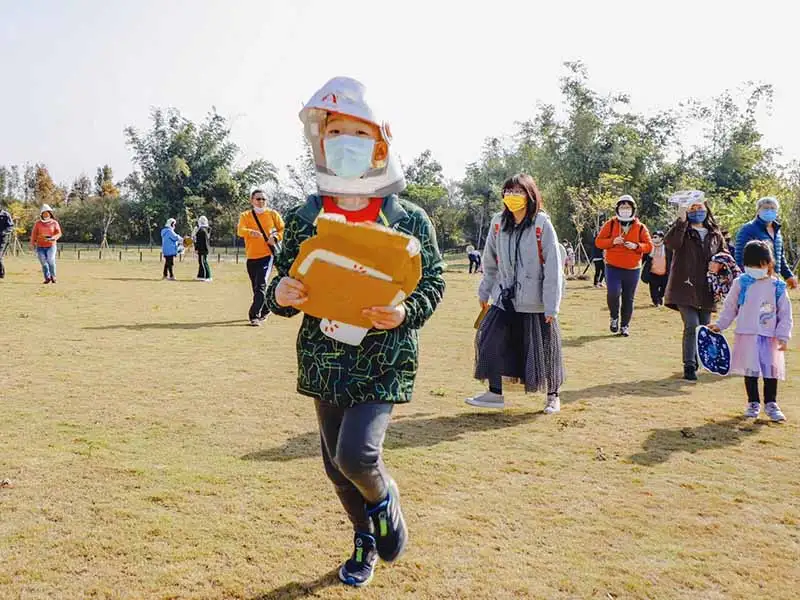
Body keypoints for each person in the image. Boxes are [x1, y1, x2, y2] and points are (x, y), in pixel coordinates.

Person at [265, 76, 445, 588]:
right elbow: (283, 280)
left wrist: (406, 311)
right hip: (325, 357)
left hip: (384, 356)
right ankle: (364, 537)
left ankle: (385, 500)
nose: (343, 141)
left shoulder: (407, 217)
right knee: (333, 467)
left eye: (355, 131)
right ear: (320, 142)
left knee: (357, 455)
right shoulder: (304, 217)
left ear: (379, 142)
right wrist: (281, 294)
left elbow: (433, 280)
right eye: (334, 130)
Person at [466, 174, 565, 414]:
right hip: (504, 297)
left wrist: (552, 305)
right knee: (489, 340)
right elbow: (489, 262)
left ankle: (553, 396)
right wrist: (484, 291)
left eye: (518, 192)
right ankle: (494, 393)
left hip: (536, 300)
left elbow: (553, 267)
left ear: (530, 195)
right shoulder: (498, 222)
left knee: (543, 348)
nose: (512, 197)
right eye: (508, 192)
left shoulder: (541, 224)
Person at [710, 240, 792, 421]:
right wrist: (720, 325)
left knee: (771, 370)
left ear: (769, 263)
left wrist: (783, 336)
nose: (756, 269)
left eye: (760, 265)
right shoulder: (741, 283)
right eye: (751, 265)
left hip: (769, 336)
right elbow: (730, 307)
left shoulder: (777, 286)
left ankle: (771, 404)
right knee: (751, 370)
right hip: (747, 334)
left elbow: (785, 314)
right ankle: (753, 402)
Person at [664, 197, 724, 380]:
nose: (697, 211)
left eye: (700, 207)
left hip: (706, 288)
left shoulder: (715, 233)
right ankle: (689, 365)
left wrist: (720, 265)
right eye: (693, 208)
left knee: (704, 327)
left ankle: (700, 360)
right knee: (691, 324)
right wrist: (681, 221)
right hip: (684, 285)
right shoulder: (682, 230)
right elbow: (672, 244)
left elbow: (724, 254)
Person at [595, 195, 653, 336]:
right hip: (613, 266)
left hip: (632, 268)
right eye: (622, 207)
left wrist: (636, 246)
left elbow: (649, 246)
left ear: (633, 209)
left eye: (627, 207)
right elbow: (599, 242)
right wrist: (613, 241)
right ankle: (614, 317)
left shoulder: (640, 227)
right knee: (613, 293)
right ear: (617, 209)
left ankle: (625, 326)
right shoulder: (611, 224)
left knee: (628, 297)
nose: (625, 210)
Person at [238, 190, 284, 326]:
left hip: (267, 256)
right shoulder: (245, 215)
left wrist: (276, 237)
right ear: (252, 200)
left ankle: (254, 316)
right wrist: (250, 232)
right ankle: (265, 308)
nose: (261, 201)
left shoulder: (272, 214)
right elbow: (240, 231)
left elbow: (283, 229)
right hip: (251, 257)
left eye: (264, 199)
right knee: (257, 287)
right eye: (258, 199)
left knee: (261, 286)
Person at [734, 196, 798, 290]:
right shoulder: (748, 229)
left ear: (777, 211)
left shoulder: (777, 231)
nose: (769, 211)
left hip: (774, 281)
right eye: (765, 208)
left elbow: (780, 257)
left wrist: (789, 276)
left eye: (772, 208)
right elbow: (740, 257)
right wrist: (746, 279)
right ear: (758, 210)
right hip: (754, 280)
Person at [30, 205, 62, 284]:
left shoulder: (54, 223)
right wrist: (32, 243)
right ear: (41, 214)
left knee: (50, 260)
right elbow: (34, 234)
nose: (46, 215)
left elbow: (59, 233)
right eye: (44, 213)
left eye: (47, 213)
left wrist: (53, 238)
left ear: (50, 214)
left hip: (51, 246)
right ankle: (47, 278)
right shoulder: (38, 223)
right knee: (44, 263)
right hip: (40, 246)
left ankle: (53, 276)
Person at [641, 230, 672, 307]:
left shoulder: (667, 248)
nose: (653, 239)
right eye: (653, 237)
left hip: (665, 274)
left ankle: (660, 297)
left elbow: (673, 259)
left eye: (655, 237)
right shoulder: (649, 248)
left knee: (664, 290)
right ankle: (656, 302)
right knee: (653, 291)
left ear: (661, 238)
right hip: (653, 274)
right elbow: (642, 259)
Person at [195, 215, 212, 281]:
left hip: (202, 249)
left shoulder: (201, 230)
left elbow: (199, 241)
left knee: (203, 262)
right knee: (201, 262)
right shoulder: (205, 229)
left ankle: (208, 276)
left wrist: (197, 248)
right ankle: (200, 275)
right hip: (204, 249)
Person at [0, 205, 13, 279]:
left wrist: (4, 232)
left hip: (3, 239)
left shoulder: (5, 215)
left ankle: (1, 273)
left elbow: (10, 226)